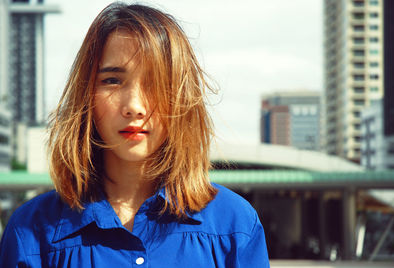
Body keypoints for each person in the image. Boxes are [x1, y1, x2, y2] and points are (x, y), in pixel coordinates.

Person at [0, 2, 269, 267]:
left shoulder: (235, 225)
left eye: (156, 83)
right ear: (86, 95)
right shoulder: (31, 232)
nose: (134, 107)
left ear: (183, 98)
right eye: (112, 81)